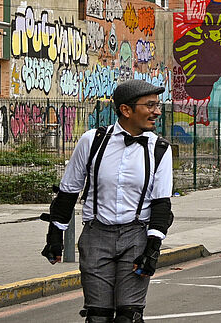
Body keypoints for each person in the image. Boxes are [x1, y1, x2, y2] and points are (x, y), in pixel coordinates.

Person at [39, 80, 173, 323]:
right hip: (96, 235)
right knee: (97, 316)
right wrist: (55, 236)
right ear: (126, 110)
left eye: (158, 105)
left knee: (128, 316)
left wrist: (152, 249)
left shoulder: (160, 149)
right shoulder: (92, 141)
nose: (157, 111)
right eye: (150, 105)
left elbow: (161, 203)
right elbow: (68, 192)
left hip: (136, 236)